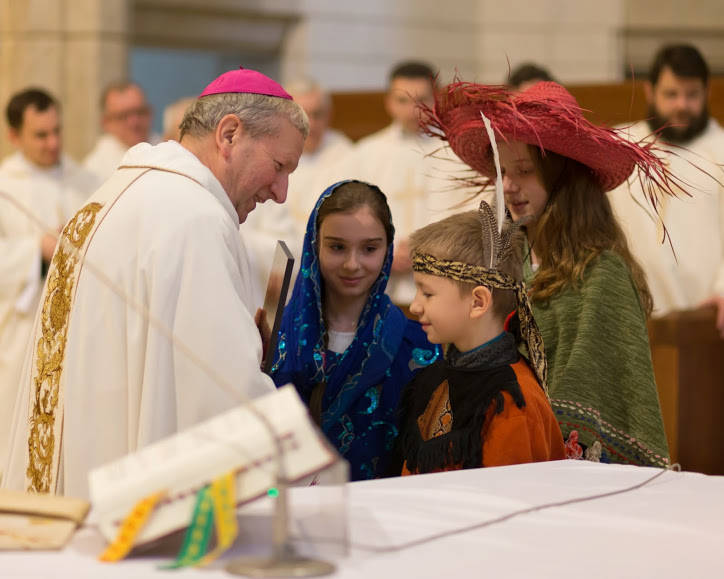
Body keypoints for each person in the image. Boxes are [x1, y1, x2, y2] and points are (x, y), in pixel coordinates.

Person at [2, 68, 308, 498]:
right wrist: (300, 463)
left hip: (79, 477)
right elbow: (221, 391)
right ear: (230, 134)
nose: (281, 193)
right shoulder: (195, 218)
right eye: (279, 166)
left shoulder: (110, 192)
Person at [423, 80, 672, 467]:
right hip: (489, 449)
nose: (507, 186)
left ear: (562, 176)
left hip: (557, 468)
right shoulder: (502, 260)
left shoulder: (602, 272)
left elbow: (592, 391)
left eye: (524, 170)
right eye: (502, 171)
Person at [270, 180, 440, 481]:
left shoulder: (418, 347)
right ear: (314, 245)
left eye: (369, 249)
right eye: (337, 247)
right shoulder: (277, 342)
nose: (352, 264)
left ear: (388, 249)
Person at [396, 204, 566, 475]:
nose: (415, 307)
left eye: (427, 294)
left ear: (478, 301)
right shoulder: (435, 378)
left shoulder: (511, 404)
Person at [0, 88, 98, 479]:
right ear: (13, 136)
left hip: (77, 327)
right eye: (40, 135)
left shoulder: (86, 180)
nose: (53, 143)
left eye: (57, 131)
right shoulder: (4, 187)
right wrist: (37, 250)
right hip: (20, 332)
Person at [340, 61, 482, 305]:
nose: (413, 110)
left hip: (445, 280)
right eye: (403, 100)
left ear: (437, 99)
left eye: (422, 99)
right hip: (382, 284)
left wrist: (428, 251)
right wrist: (384, 253)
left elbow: (473, 215)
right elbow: (348, 216)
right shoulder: (365, 153)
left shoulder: (460, 152)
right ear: (388, 102)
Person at [609, 44, 724, 337]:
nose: (682, 105)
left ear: (706, 92)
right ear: (650, 92)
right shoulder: (620, 147)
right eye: (671, 94)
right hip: (629, 321)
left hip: (706, 324)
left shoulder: (721, 150)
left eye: (692, 94)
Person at [243, 79, 353, 304]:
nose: (311, 124)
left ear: (329, 115)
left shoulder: (347, 156)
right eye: (303, 114)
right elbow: (249, 225)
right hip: (273, 275)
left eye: (318, 114)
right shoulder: (269, 155)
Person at [83, 81, 156, 182]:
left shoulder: (166, 148)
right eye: (123, 116)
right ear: (106, 122)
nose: (134, 122)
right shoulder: (94, 171)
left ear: (150, 113)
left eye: (140, 112)